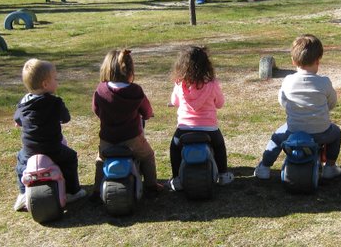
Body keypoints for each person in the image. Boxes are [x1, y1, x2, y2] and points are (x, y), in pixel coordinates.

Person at [254, 34, 341, 180]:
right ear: (318, 61)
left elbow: (282, 101)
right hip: (321, 131)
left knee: (276, 138)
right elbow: (332, 102)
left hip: (293, 130)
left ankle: (264, 166)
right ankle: (330, 167)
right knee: (336, 134)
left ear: (293, 61)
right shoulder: (324, 82)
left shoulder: (288, 81)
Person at [13, 59, 86, 211]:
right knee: (70, 157)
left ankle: (22, 193)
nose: (57, 82)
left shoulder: (24, 103)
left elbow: (17, 118)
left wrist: (21, 123)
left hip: (30, 150)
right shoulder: (55, 102)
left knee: (20, 162)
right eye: (55, 79)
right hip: (53, 149)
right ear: (46, 84)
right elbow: (66, 118)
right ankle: (73, 191)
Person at [90, 49, 162, 202]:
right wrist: (148, 115)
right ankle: (151, 186)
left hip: (108, 139)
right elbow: (146, 110)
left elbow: (96, 109)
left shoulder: (101, 90)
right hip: (132, 139)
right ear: (130, 70)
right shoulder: (135, 91)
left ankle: (96, 190)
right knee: (147, 156)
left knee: (101, 160)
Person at [168, 46, 234, 191]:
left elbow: (174, 101)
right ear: (206, 65)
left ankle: (176, 179)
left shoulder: (180, 83)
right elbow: (220, 103)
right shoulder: (212, 84)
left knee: (174, 148)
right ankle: (223, 174)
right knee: (219, 146)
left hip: (184, 129)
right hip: (209, 129)